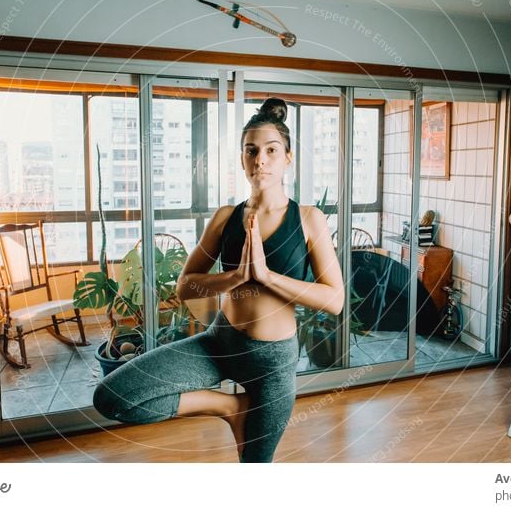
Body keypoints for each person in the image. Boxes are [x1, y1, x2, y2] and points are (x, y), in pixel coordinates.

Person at [93, 97, 344, 462]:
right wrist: (234, 278)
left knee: (255, 466)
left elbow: (334, 299)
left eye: (272, 150)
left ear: (288, 158)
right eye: (251, 150)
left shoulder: (309, 219)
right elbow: (186, 286)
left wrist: (266, 276)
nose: (261, 159)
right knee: (113, 397)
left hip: (272, 361)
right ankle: (230, 408)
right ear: (242, 158)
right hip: (220, 342)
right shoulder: (226, 217)